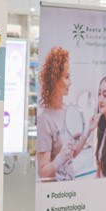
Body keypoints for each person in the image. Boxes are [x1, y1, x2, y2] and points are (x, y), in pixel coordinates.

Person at [36, 46, 79, 181]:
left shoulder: (68, 111)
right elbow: (43, 172)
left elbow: (71, 155)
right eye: (66, 77)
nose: (70, 82)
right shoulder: (45, 120)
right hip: (55, 191)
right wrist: (60, 158)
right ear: (55, 80)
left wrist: (88, 131)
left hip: (71, 187)